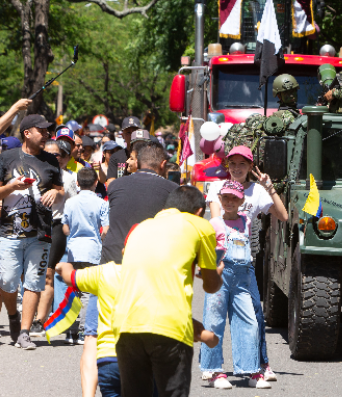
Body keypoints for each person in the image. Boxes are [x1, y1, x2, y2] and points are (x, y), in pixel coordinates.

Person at [56, 244, 219, 397]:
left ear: (123, 251)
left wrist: (63, 266)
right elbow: (178, 321)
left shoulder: (106, 273)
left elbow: (70, 276)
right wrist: (208, 337)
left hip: (109, 361)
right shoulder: (159, 282)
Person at [112, 186, 222, 397]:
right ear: (199, 211)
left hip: (125, 325)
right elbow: (210, 285)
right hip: (169, 327)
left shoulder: (140, 228)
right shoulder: (200, 225)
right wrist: (217, 274)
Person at [205, 146, 287, 381]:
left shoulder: (258, 191)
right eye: (233, 163)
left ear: (251, 167)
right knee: (216, 316)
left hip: (245, 260)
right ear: (227, 166)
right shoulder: (216, 188)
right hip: (221, 258)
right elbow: (215, 223)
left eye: (243, 164)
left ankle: (261, 363)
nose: (237, 168)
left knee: (255, 314)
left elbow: (283, 216)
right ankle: (212, 366)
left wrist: (270, 188)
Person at [200, 181, 273, 390]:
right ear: (220, 200)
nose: (230, 202)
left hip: (242, 278)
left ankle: (250, 370)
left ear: (241, 200)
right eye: (226, 198)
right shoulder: (214, 223)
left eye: (234, 198)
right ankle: (213, 370)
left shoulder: (246, 221)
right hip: (220, 276)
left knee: (249, 322)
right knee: (214, 321)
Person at [0, 114, 62, 350]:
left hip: (41, 233)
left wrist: (58, 194)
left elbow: (60, 189)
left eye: (48, 131)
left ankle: (24, 332)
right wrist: (11, 187)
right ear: (27, 133)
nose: (47, 134)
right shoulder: (6, 158)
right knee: (7, 281)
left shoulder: (51, 161)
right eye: (43, 130)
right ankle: (13, 316)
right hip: (8, 231)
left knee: (34, 282)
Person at [62, 167, 109, 396]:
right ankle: (84, 331)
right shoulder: (101, 202)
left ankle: (70, 330)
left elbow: (65, 226)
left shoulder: (70, 203)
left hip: (74, 249)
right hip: (93, 249)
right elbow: (106, 226)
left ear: (78, 183)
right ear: (96, 183)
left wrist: (72, 236)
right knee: (91, 292)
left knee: (74, 289)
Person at [29, 139, 78, 339]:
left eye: (56, 155)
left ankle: (39, 321)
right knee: (31, 275)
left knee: (48, 275)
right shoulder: (31, 173)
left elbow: (72, 202)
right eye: (47, 153)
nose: (51, 157)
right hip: (32, 226)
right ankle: (28, 319)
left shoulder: (67, 178)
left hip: (55, 227)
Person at [101, 140, 177, 265]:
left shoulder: (115, 185)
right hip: (148, 262)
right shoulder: (172, 189)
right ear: (163, 164)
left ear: (137, 162)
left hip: (112, 260)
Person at [223, 74, 300, 155]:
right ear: (279, 96)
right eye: (287, 93)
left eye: (293, 91)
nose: (292, 95)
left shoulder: (291, 114)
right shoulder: (285, 116)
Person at [106, 116, 143, 184]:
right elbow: (110, 183)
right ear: (122, 135)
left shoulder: (147, 156)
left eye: (135, 132)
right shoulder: (115, 157)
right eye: (128, 133)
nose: (132, 135)